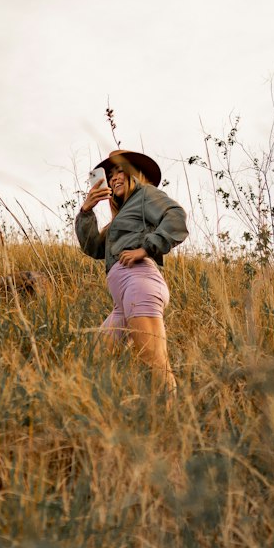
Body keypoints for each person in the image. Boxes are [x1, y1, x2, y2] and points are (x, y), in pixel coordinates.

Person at [76, 149, 188, 391]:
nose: (114, 177)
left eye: (120, 171)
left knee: (155, 363)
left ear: (135, 174)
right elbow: (92, 247)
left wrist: (145, 249)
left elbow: (176, 217)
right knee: (94, 357)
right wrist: (86, 211)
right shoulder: (120, 220)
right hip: (124, 301)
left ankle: (176, 420)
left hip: (139, 286)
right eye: (110, 174)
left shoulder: (146, 195)